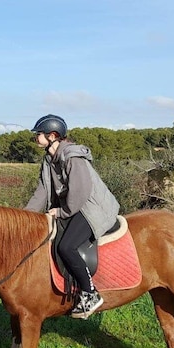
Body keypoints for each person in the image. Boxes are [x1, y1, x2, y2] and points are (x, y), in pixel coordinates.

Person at [24, 114, 120, 319]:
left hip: (93, 208)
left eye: (39, 134)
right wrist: (24, 218)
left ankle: (90, 293)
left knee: (66, 246)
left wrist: (61, 212)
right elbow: (41, 192)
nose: (36, 137)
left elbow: (80, 192)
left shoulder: (73, 157)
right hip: (75, 207)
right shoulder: (49, 159)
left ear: (52, 135)